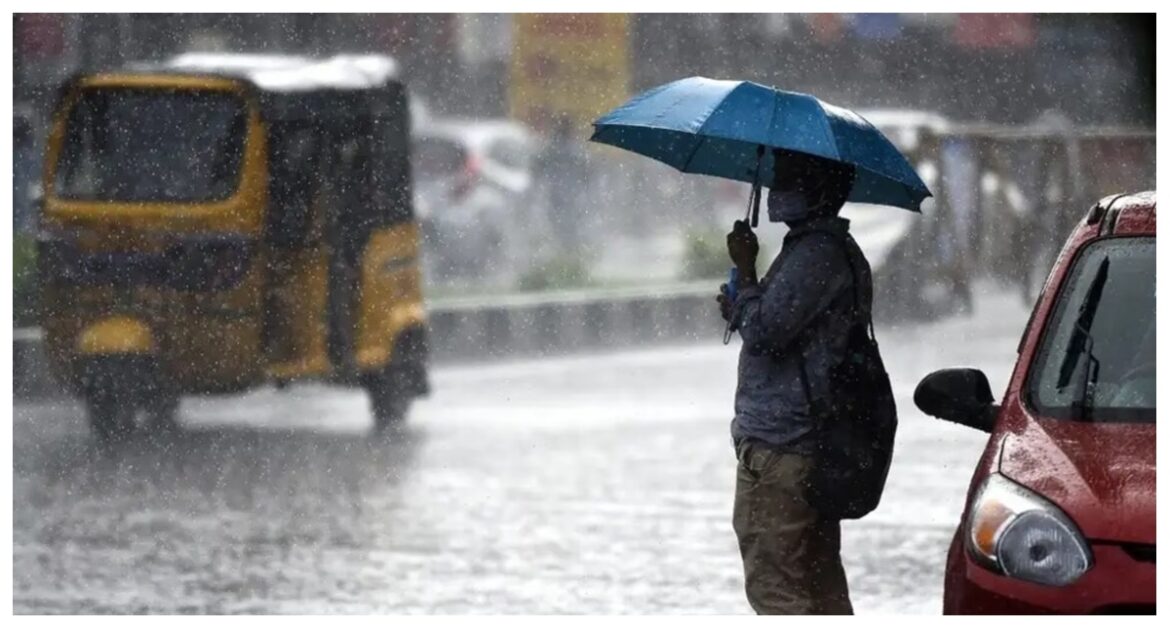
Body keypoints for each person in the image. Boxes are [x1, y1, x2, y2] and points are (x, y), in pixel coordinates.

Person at [715, 148, 871, 615]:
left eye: (791, 178)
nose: (779, 190)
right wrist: (746, 297)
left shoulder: (817, 254)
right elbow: (778, 322)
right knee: (819, 586)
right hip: (808, 442)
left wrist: (745, 273)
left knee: (777, 587)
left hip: (786, 446)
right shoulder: (818, 250)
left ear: (818, 189)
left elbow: (767, 330)